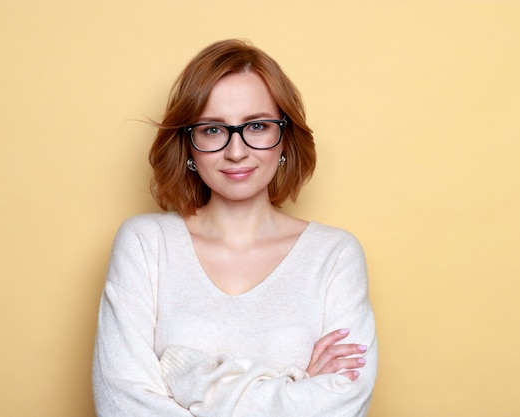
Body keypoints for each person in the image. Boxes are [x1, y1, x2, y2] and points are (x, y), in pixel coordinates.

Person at [93, 39, 377, 417]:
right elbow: (121, 404)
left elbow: (342, 406)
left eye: (257, 126)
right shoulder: (146, 244)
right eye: (212, 130)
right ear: (188, 144)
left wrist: (189, 379)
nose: (236, 151)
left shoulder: (334, 255)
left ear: (285, 139)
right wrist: (295, 385)